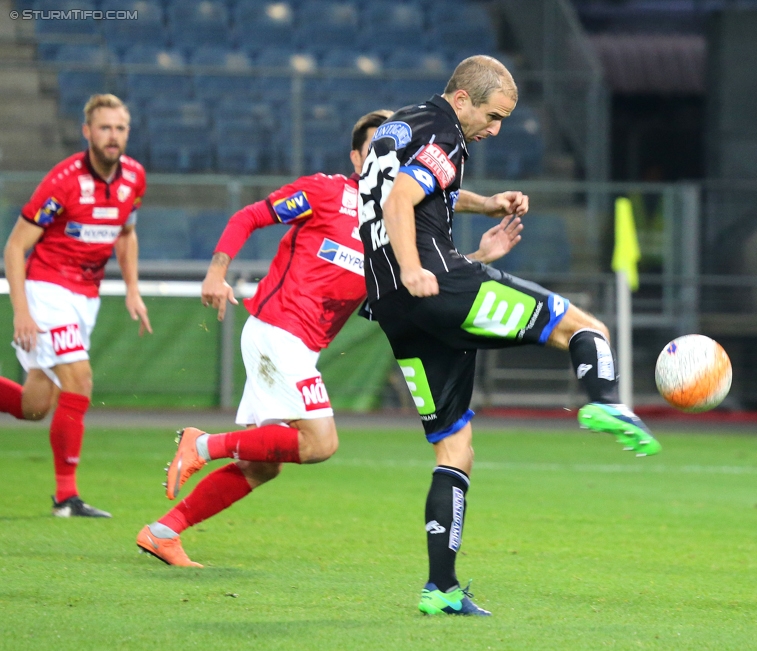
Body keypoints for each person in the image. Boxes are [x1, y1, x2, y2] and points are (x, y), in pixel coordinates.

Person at [136, 110, 523, 567]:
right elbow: (250, 216)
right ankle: (201, 444)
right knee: (321, 443)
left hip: (296, 344)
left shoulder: (388, 236)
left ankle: (163, 532)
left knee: (264, 464)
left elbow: (420, 279)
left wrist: (480, 252)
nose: (388, 159)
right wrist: (217, 273)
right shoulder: (325, 193)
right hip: (277, 329)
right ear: (359, 158)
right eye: (378, 149)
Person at [357, 55, 660, 617]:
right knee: (584, 327)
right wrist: (415, 266)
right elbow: (403, 200)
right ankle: (605, 403)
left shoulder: (401, 127)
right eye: (493, 117)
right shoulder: (446, 131)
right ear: (465, 98)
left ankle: (441, 588)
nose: (495, 130)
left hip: (395, 309)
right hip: (433, 282)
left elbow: (414, 192)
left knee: (455, 447)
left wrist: (487, 202)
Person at [1, 94, 152, 518]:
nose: (113, 136)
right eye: (104, 128)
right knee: (80, 380)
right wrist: (22, 311)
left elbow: (125, 233)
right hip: (47, 290)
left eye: (120, 128)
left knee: (34, 405)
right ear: (87, 132)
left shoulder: (135, 178)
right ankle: (66, 497)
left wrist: (133, 289)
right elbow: (15, 248)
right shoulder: (63, 181)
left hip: (86, 297)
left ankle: (67, 496)